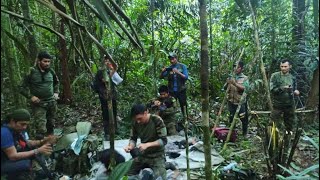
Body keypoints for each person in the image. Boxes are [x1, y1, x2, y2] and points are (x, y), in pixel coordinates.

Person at [1, 108, 57, 180]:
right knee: (26, 164)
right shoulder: (4, 133)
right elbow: (13, 156)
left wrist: (42, 141)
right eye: (22, 124)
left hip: (10, 156)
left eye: (26, 124)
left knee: (35, 152)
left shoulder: (16, 129)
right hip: (4, 161)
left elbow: (26, 143)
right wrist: (37, 150)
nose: (24, 127)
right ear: (12, 121)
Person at [19, 51, 59, 139]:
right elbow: (21, 87)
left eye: (48, 61)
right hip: (39, 103)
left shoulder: (51, 71)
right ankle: (41, 147)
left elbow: (56, 83)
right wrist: (31, 96)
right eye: (45, 61)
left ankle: (50, 144)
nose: (47, 63)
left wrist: (56, 93)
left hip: (51, 102)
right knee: (41, 128)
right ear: (39, 61)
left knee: (51, 124)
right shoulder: (31, 72)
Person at [124, 104, 167, 180]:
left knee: (161, 178)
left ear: (146, 112)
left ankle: (166, 165)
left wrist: (147, 145)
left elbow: (163, 141)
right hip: (143, 155)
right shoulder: (136, 122)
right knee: (126, 173)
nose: (138, 121)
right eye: (136, 119)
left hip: (157, 155)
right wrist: (130, 146)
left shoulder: (156, 120)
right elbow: (133, 138)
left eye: (140, 118)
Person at [269, 59, 300, 133]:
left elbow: (295, 89)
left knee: (289, 125)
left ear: (290, 67)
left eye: (285, 66)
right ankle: (271, 140)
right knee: (272, 123)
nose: (283, 68)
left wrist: (296, 92)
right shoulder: (275, 76)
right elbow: (272, 89)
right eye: (281, 66)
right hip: (278, 104)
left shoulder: (292, 77)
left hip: (289, 104)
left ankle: (287, 140)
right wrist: (282, 88)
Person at [94, 55, 119, 140]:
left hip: (112, 95)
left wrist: (113, 70)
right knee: (106, 113)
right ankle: (107, 132)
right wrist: (114, 70)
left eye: (109, 61)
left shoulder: (110, 70)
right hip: (104, 96)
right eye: (106, 61)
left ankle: (115, 130)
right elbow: (106, 80)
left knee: (114, 112)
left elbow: (117, 81)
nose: (108, 62)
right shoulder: (101, 71)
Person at [224, 61, 249, 137]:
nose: (236, 69)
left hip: (240, 102)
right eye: (234, 67)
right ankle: (232, 136)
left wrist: (234, 83)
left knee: (243, 119)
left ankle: (244, 134)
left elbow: (245, 89)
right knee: (231, 119)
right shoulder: (231, 77)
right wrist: (228, 83)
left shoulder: (245, 78)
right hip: (231, 101)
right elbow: (224, 88)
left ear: (241, 68)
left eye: (238, 67)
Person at [160, 52, 189, 117]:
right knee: (171, 105)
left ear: (176, 58)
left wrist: (178, 72)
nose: (171, 61)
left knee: (183, 105)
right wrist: (163, 71)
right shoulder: (169, 68)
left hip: (181, 90)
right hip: (172, 91)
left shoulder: (182, 66)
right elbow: (161, 77)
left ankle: (185, 119)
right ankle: (172, 120)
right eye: (170, 59)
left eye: (173, 59)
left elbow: (186, 77)